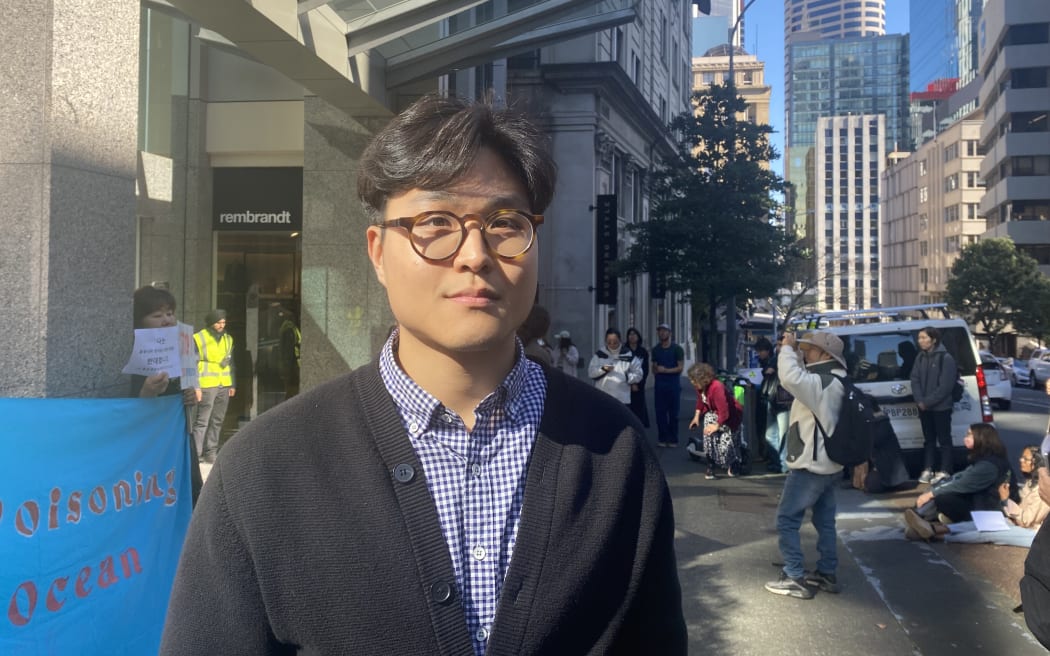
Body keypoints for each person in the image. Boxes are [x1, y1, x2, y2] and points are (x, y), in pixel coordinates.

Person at [160, 94, 687, 655]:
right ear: (378, 253)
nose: (475, 254)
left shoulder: (616, 453)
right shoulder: (263, 469)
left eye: (504, 222)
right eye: (436, 223)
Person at [763, 331, 846, 600]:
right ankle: (827, 572)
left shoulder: (820, 382)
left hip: (810, 465)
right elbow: (800, 375)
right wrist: (795, 351)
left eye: (810, 350)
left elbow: (789, 378)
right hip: (830, 464)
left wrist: (786, 349)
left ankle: (794, 575)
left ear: (825, 355)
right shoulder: (836, 378)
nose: (805, 353)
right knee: (825, 521)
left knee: (787, 519)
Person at [130, 285, 203, 506]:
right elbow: (128, 408)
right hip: (149, 445)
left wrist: (190, 394)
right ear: (139, 320)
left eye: (170, 313)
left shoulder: (182, 346)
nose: (167, 320)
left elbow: (187, 387)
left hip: (179, 437)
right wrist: (147, 393)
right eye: (157, 315)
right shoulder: (131, 352)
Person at [904, 423, 1015, 540]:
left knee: (943, 497)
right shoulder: (985, 459)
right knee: (941, 490)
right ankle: (922, 519)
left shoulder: (989, 465)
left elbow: (963, 483)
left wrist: (931, 494)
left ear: (981, 438)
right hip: (982, 503)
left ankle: (921, 518)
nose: (965, 438)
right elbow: (959, 477)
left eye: (969, 435)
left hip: (990, 510)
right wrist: (934, 489)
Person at [910, 326, 958, 484]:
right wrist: (919, 400)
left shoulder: (946, 358)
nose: (921, 341)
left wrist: (927, 402)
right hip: (924, 407)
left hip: (941, 406)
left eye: (924, 338)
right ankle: (928, 468)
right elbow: (914, 379)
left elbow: (945, 386)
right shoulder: (920, 358)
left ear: (934, 339)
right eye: (919, 338)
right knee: (928, 439)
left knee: (944, 439)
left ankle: (945, 469)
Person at [191, 309, 235, 464]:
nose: (221, 325)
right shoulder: (199, 338)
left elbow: (231, 362)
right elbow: (192, 364)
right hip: (207, 385)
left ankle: (211, 453)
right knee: (202, 421)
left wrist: (232, 384)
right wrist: (195, 386)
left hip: (224, 384)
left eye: (223, 322)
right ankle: (196, 455)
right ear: (211, 323)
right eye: (218, 322)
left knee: (217, 420)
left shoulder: (228, 339)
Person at [686, 362, 742, 479]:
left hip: (730, 417)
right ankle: (710, 464)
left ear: (702, 379)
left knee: (725, 446)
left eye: (694, 380)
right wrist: (696, 417)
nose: (692, 383)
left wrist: (717, 426)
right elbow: (701, 401)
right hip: (715, 414)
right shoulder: (700, 387)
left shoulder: (717, 387)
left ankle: (733, 462)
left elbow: (724, 411)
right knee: (708, 429)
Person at [756, 336, 789, 473]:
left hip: (784, 400)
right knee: (771, 433)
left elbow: (768, 371)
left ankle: (782, 464)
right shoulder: (776, 359)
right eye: (777, 345)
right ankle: (777, 462)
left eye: (781, 345)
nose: (778, 348)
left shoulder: (789, 360)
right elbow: (766, 371)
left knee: (782, 434)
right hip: (773, 398)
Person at [588, 328, 644, 405]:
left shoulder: (628, 355)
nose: (612, 344)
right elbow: (591, 373)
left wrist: (627, 376)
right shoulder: (599, 354)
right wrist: (604, 369)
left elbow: (639, 374)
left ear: (620, 340)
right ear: (605, 341)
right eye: (609, 342)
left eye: (615, 342)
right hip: (603, 397)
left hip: (622, 399)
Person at [651, 323, 685, 447]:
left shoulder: (677, 349)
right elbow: (653, 368)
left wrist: (665, 370)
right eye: (660, 331)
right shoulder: (656, 349)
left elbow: (680, 368)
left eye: (665, 331)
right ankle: (662, 437)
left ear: (670, 333)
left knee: (673, 413)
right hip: (660, 385)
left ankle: (673, 438)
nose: (662, 333)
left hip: (673, 384)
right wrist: (655, 369)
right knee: (660, 413)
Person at [1003, 446, 1050, 529]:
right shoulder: (1030, 482)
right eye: (1022, 458)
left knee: (983, 533)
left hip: (1031, 532)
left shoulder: (1040, 488)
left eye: (1025, 459)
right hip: (1017, 524)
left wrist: (1006, 500)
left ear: (1036, 463)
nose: (1021, 460)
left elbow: (1026, 520)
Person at [625, 327, 650, 428]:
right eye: (630, 334)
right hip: (626, 385)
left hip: (639, 385)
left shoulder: (643, 352)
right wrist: (631, 382)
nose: (632, 336)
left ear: (638, 337)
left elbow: (645, 369)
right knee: (627, 408)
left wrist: (638, 383)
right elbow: (622, 368)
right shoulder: (624, 351)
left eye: (634, 334)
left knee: (639, 408)